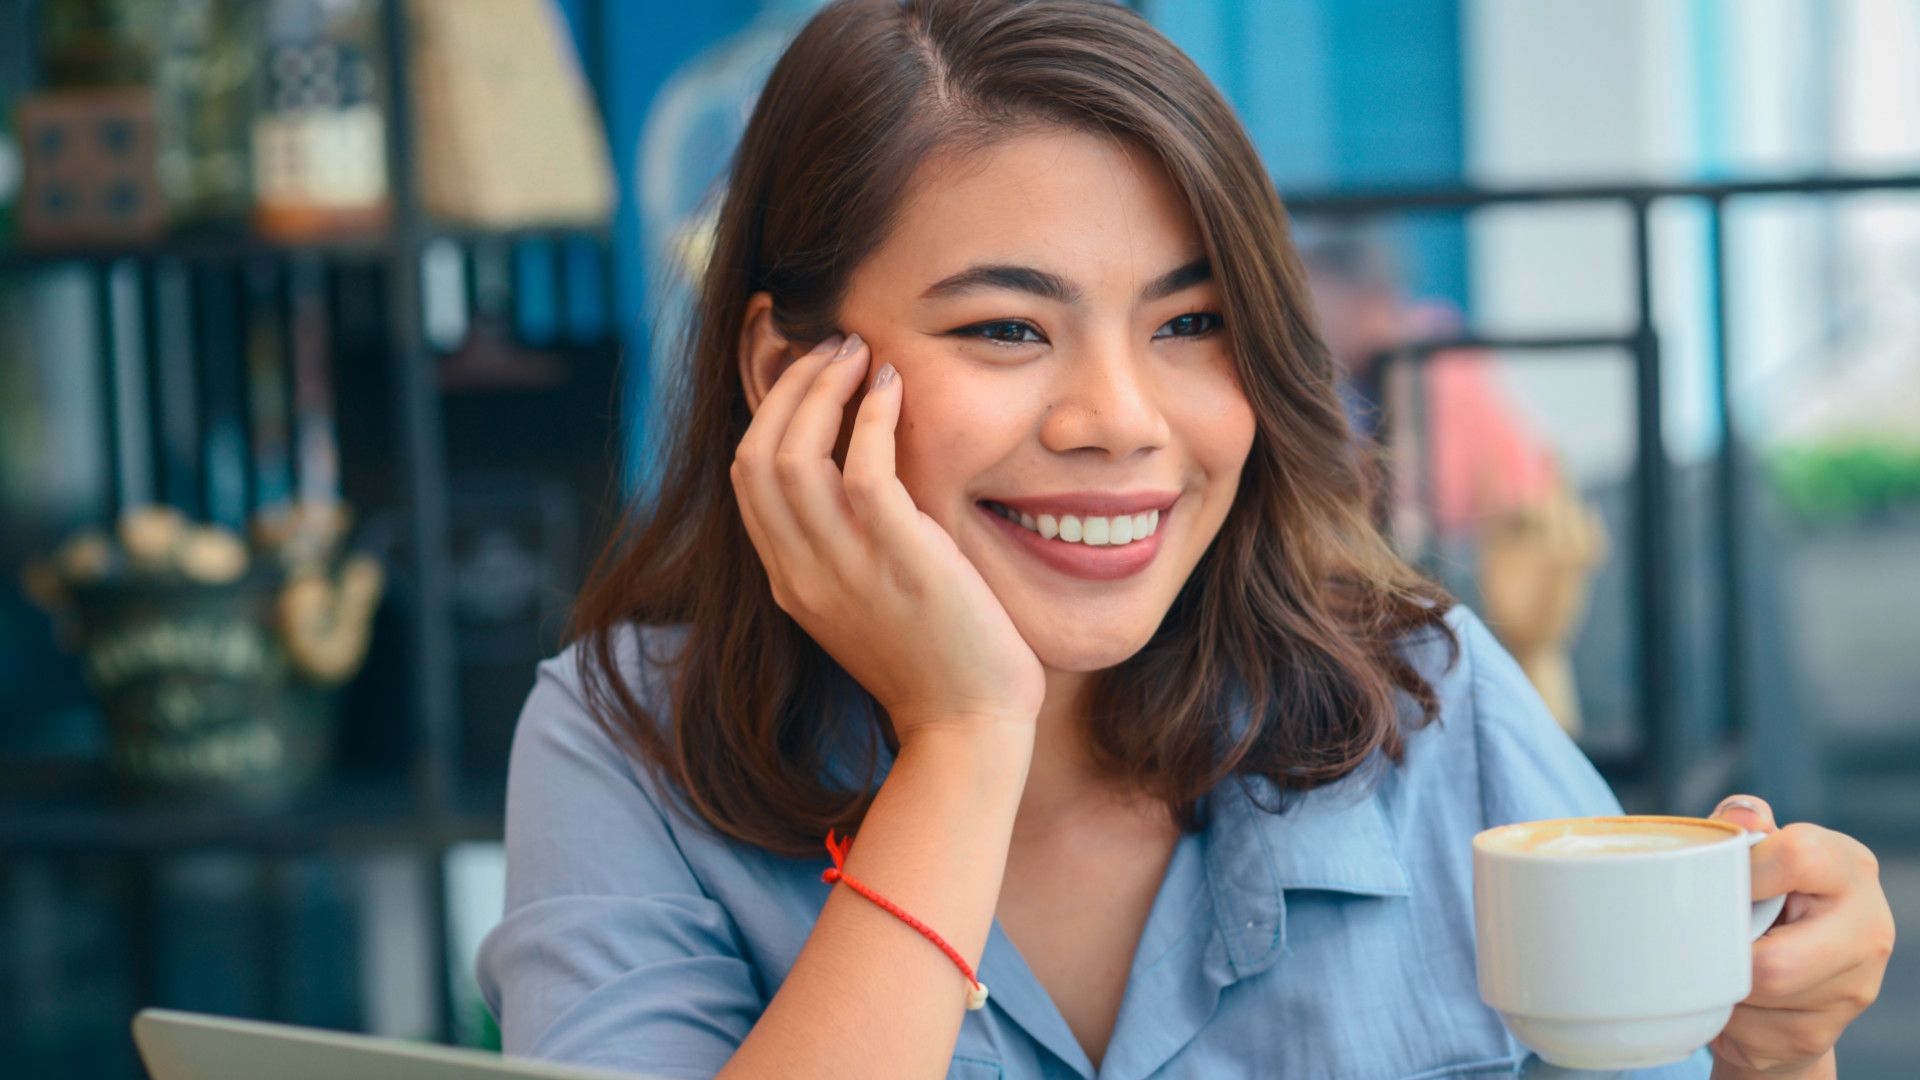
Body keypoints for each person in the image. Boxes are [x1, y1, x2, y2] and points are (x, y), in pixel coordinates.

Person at [476, 2, 1894, 1078]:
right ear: (791, 372)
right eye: (1006, 329)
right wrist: (964, 736)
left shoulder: (1423, 694)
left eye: (1190, 324)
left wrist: (1772, 1056)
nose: (1121, 419)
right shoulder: (622, 746)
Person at [1301, 226, 1608, 735]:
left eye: (1315, 296)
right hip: (1474, 558)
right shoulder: (1373, 372)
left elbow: (1417, 501)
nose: (1308, 317)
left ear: (1362, 299)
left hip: (1503, 559)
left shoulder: (1418, 357)